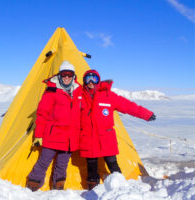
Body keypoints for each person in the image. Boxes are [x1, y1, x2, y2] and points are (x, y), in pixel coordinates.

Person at [79, 69, 156, 190]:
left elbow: (128, 106)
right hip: (89, 138)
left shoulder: (108, 95)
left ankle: (120, 187)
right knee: (91, 165)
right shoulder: (79, 96)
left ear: (99, 80)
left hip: (106, 138)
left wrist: (146, 114)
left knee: (112, 163)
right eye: (87, 79)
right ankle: (92, 190)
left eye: (94, 79)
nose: (90, 82)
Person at [26, 61, 82, 192]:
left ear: (74, 76)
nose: (67, 77)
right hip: (53, 135)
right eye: (64, 74)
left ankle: (58, 187)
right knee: (43, 162)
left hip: (69, 138)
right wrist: (39, 135)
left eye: (69, 74)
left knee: (62, 165)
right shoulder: (51, 91)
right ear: (60, 75)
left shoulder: (78, 91)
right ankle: (32, 185)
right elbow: (41, 114)